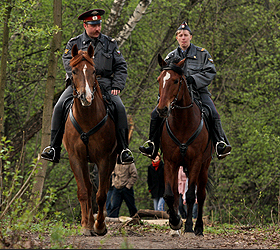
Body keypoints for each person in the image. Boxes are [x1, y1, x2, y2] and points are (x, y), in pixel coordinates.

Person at [41, 8, 134, 164]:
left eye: (98, 24)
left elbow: (121, 66)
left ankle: (124, 149)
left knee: (120, 108)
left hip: (105, 84)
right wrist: (80, 82)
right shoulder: (74, 43)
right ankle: (54, 148)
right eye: (93, 25)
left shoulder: (110, 44)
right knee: (58, 106)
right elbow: (67, 63)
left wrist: (117, 85)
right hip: (79, 83)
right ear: (85, 25)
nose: (97, 28)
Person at [139, 21, 231, 160]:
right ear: (176, 38)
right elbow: (165, 77)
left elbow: (210, 72)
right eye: (180, 35)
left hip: (199, 92)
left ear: (190, 37)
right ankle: (152, 144)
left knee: (212, 112)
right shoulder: (170, 57)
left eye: (186, 35)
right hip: (174, 94)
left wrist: (194, 79)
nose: (183, 37)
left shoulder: (202, 54)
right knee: (155, 114)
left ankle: (220, 143)